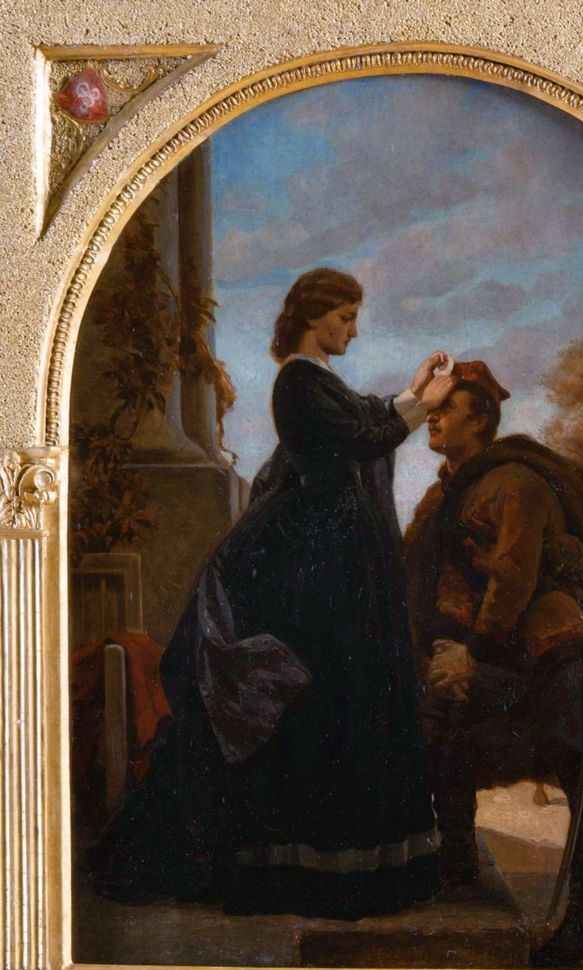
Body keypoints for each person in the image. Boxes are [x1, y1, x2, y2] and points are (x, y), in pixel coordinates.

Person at [92, 268, 456, 919]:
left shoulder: (318, 381)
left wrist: (412, 393)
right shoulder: (298, 382)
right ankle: (308, 868)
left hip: (338, 564)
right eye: (345, 316)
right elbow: (361, 438)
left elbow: (366, 421)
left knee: (347, 699)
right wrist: (422, 404)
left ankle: (350, 859)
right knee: (327, 702)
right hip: (318, 569)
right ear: (314, 317)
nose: (353, 330)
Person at [402, 361, 583, 966]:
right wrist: (443, 648)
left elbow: (513, 577)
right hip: (488, 654)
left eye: (448, 408)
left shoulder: (516, 483)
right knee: (435, 722)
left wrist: (471, 653)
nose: (433, 417)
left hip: (554, 650)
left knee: (582, 777)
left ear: (480, 420)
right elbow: (435, 575)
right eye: (432, 408)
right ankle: (457, 863)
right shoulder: (442, 494)